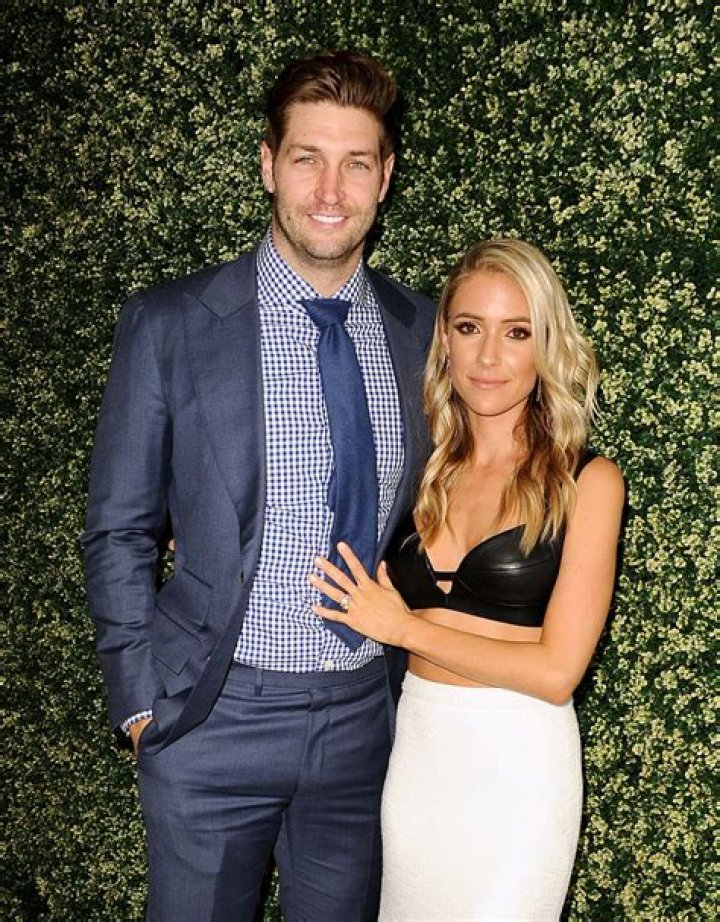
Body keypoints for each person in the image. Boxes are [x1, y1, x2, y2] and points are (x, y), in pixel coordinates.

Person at [81, 50, 434, 921]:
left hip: (362, 723)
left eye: (356, 163)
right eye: (308, 158)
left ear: (386, 178)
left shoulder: (422, 330)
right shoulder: (171, 323)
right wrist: (139, 701)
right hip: (212, 716)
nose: (330, 190)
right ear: (269, 164)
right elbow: (119, 528)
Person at [311, 238, 625, 920]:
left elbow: (557, 672)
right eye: (469, 327)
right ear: (444, 342)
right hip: (419, 760)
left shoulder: (588, 481)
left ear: (546, 345)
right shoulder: (423, 466)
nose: (489, 357)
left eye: (517, 333)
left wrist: (405, 628)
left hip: (521, 772)